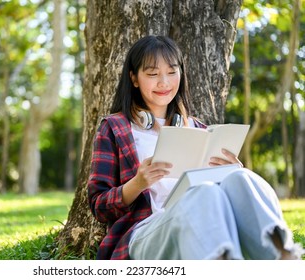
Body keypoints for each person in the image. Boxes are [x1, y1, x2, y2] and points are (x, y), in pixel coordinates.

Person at [87, 35, 304, 260]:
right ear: (134, 78)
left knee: (241, 177)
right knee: (204, 192)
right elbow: (98, 206)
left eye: (172, 72)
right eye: (152, 74)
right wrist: (137, 183)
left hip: (206, 223)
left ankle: (283, 257)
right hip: (146, 231)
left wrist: (229, 171)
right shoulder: (115, 128)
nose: (164, 82)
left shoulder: (199, 128)